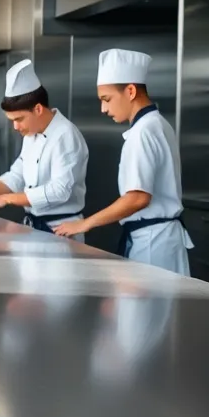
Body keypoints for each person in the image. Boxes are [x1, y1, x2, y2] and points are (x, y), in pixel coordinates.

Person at [54, 49, 194, 274]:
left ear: (130, 90)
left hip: (152, 244)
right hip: (159, 240)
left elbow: (137, 198)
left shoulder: (144, 132)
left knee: (148, 309)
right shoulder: (157, 124)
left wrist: (84, 223)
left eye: (107, 99)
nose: (103, 109)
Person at [0, 59, 89, 239]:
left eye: (19, 119)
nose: (16, 127)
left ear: (38, 109)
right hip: (34, 228)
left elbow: (59, 191)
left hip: (62, 230)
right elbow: (16, 176)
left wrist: (4, 199)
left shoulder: (65, 135)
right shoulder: (31, 135)